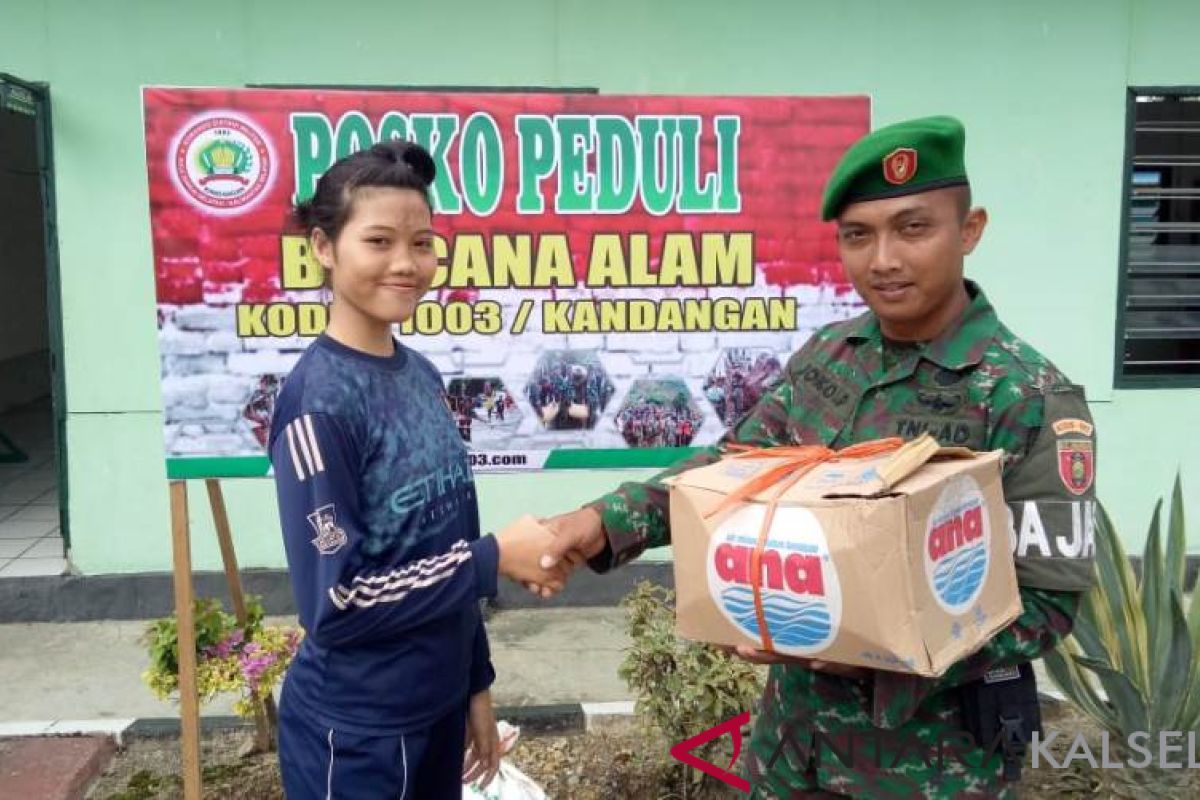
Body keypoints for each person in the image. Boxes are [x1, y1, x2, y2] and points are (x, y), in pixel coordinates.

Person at [532, 116, 1097, 798]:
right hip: (789, 749)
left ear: (969, 230)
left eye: (913, 228)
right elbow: (736, 465)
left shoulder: (1026, 397)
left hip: (928, 768)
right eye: (858, 235)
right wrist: (604, 521)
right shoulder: (830, 355)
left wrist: (858, 650)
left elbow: (1046, 605)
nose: (883, 259)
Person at [269, 140, 566, 799]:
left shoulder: (423, 376)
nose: (406, 264)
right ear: (324, 247)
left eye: (423, 243)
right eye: (378, 241)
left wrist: (474, 686)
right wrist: (492, 560)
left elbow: (445, 545)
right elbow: (336, 603)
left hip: (437, 711)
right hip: (357, 736)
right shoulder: (317, 403)